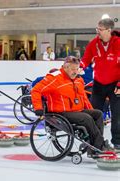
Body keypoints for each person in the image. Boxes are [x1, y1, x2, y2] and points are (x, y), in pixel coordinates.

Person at [31, 56, 110, 155]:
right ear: (65, 67)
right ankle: (99, 146)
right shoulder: (54, 78)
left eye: (77, 69)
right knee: (86, 118)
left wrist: (91, 111)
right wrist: (38, 108)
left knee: (98, 114)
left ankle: (94, 147)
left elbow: (84, 98)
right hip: (61, 112)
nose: (75, 72)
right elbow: (36, 90)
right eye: (73, 69)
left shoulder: (78, 80)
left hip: (76, 110)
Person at [81, 17, 120, 149]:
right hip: (98, 83)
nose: (97, 31)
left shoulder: (118, 43)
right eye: (97, 29)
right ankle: (93, 140)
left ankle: (118, 142)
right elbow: (86, 58)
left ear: (109, 30)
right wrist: (80, 66)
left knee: (117, 114)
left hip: (116, 85)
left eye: (100, 29)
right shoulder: (94, 43)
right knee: (93, 113)